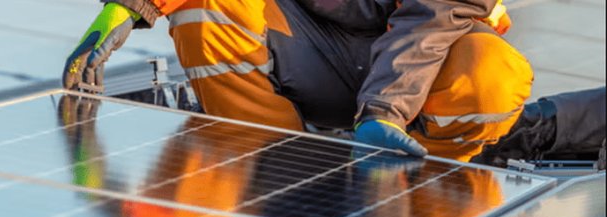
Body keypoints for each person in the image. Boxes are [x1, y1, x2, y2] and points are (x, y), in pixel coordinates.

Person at [63, 0, 535, 162]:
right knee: (207, 6)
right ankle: (272, 157)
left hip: (420, 76)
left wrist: (383, 112)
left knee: (491, 70)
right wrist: (129, 7)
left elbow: (427, 27)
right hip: (309, 54)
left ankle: (426, 179)